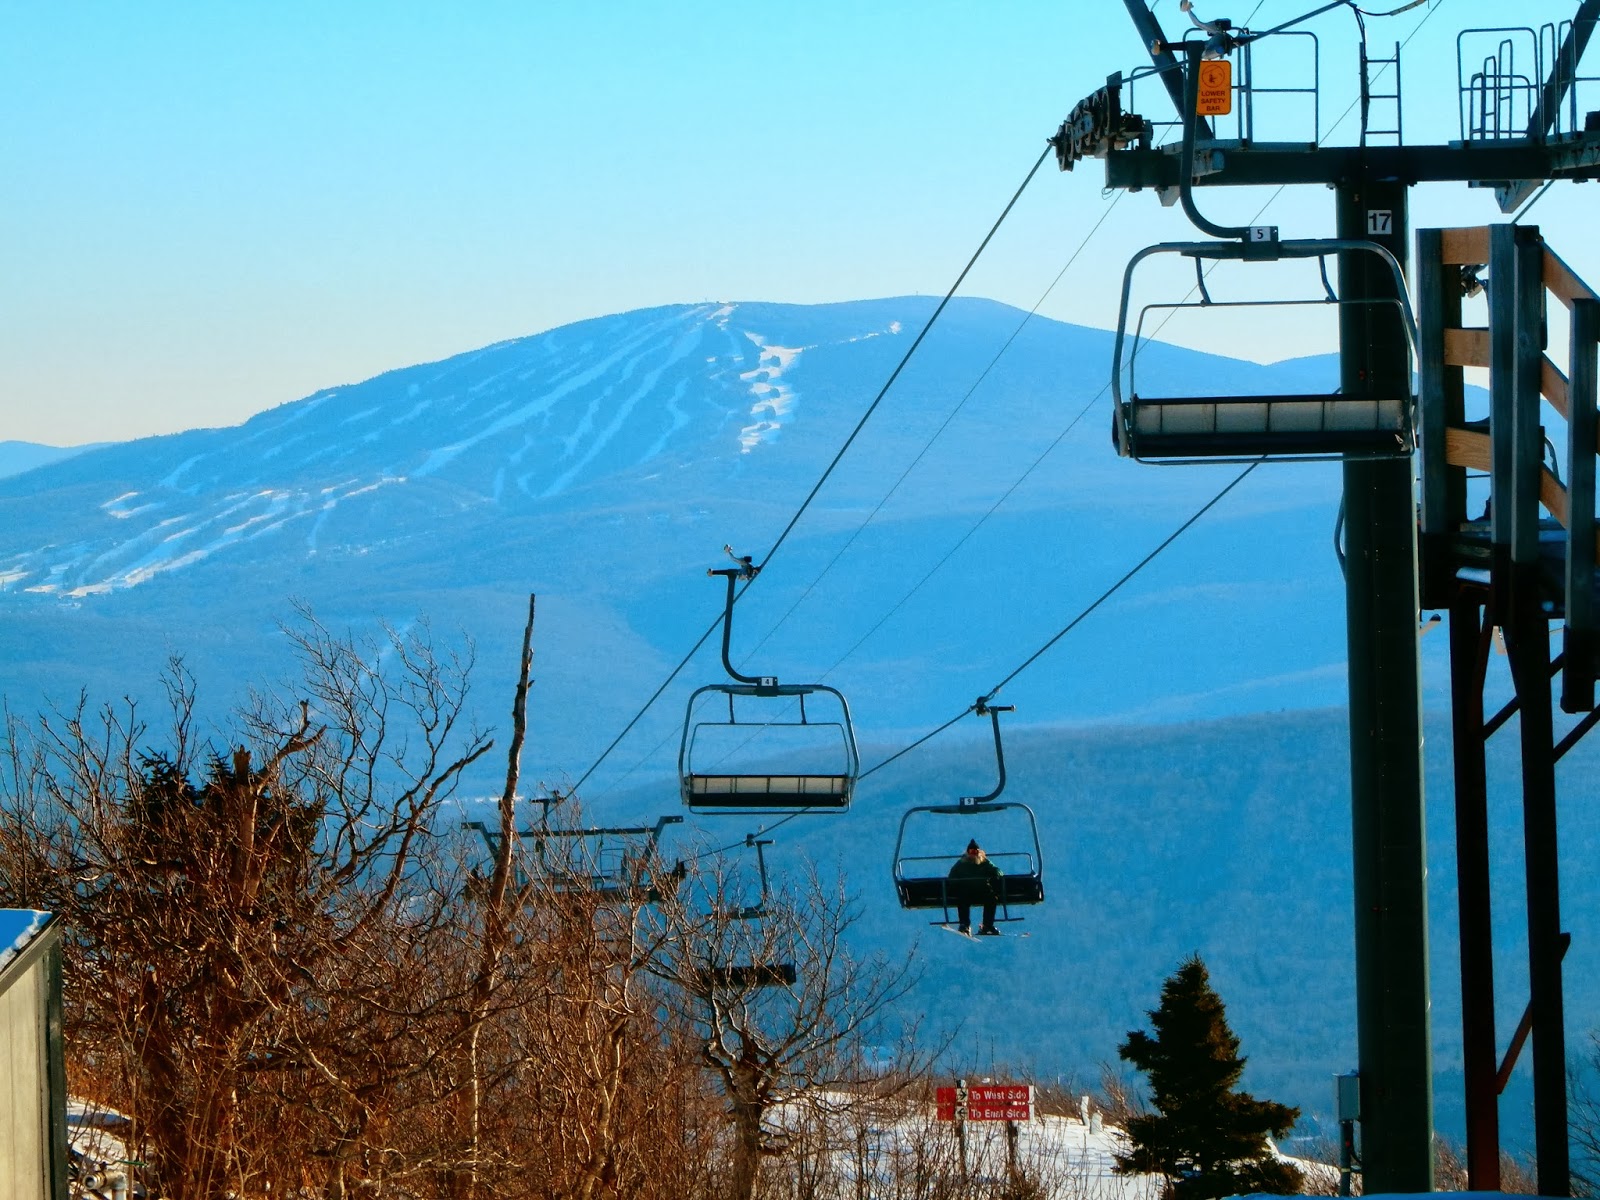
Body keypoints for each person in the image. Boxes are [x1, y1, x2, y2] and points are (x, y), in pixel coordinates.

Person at [948, 839, 1003, 936]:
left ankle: (987, 925)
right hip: (967, 893)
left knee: (991, 899)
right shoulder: (961, 863)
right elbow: (952, 876)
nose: (973, 854)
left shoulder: (984, 862)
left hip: (982, 891)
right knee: (962, 898)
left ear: (978, 852)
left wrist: (996, 874)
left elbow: (997, 870)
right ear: (967, 852)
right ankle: (964, 924)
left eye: (975, 851)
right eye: (971, 851)